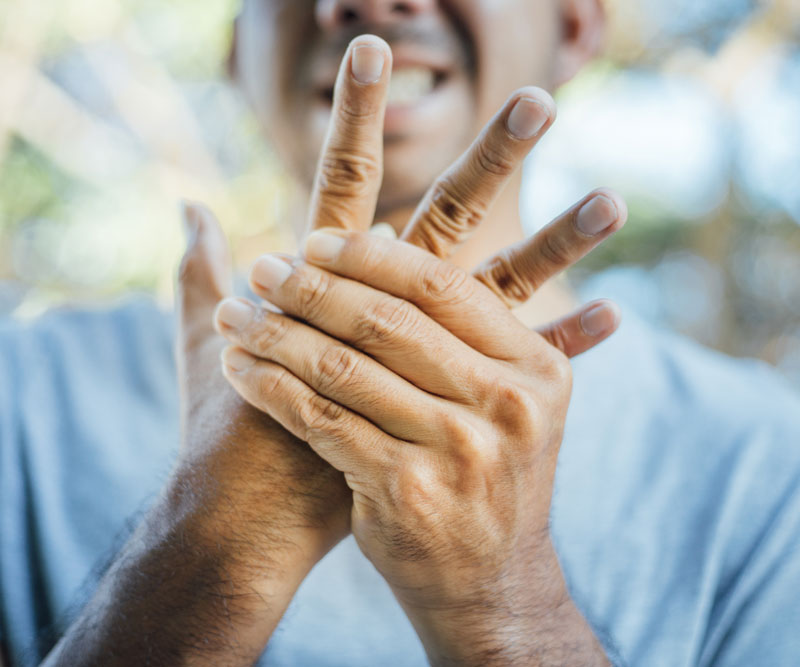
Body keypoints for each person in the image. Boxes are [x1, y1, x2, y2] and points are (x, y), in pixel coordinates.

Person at [1, 1, 799, 665]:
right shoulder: (23, 397)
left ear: (574, 28)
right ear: (238, 55)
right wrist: (217, 541)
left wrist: (503, 606)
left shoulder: (767, 465)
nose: (368, 4)